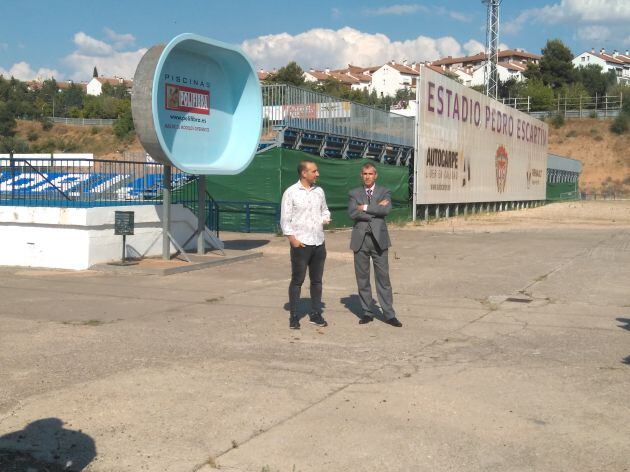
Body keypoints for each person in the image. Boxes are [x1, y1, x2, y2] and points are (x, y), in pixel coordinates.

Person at [348, 162, 402, 327]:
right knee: (362, 278)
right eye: (365, 174)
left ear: (375, 175)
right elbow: (351, 213)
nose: (367, 177)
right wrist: (374, 210)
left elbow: (386, 211)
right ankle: (367, 312)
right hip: (361, 240)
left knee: (383, 279)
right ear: (361, 175)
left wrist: (364, 208)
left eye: (370, 174)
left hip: (379, 240)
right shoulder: (354, 193)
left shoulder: (384, 191)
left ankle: (389, 314)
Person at [280, 160, 331, 330]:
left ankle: (315, 313)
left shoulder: (319, 191)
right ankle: (294, 316)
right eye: (314, 171)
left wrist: (325, 218)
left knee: (317, 281)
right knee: (297, 280)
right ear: (304, 173)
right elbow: (285, 218)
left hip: (318, 242)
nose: (318, 174)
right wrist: (292, 239)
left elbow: (325, 209)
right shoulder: (291, 192)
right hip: (301, 244)